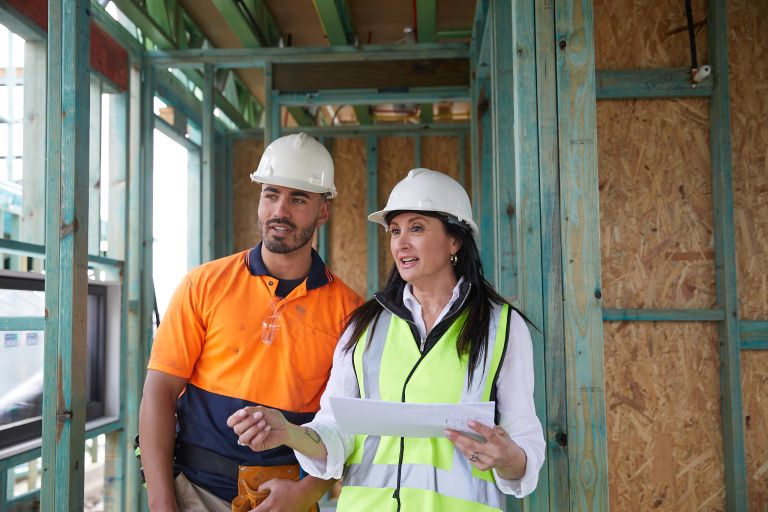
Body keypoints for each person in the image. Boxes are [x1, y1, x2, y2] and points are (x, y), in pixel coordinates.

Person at [228, 168, 545, 511]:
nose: (401, 242)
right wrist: (289, 433)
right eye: (395, 231)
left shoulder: (500, 327)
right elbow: (335, 431)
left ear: (455, 240)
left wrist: (507, 455)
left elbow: (524, 448)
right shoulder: (365, 326)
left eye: (417, 228)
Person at [139, 132, 361, 512]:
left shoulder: (348, 312)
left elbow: (346, 424)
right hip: (195, 492)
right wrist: (162, 501)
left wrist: (307, 493)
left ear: (323, 211)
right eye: (271, 194)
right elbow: (159, 391)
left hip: (284, 498)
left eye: (298, 199)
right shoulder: (204, 285)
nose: (280, 211)